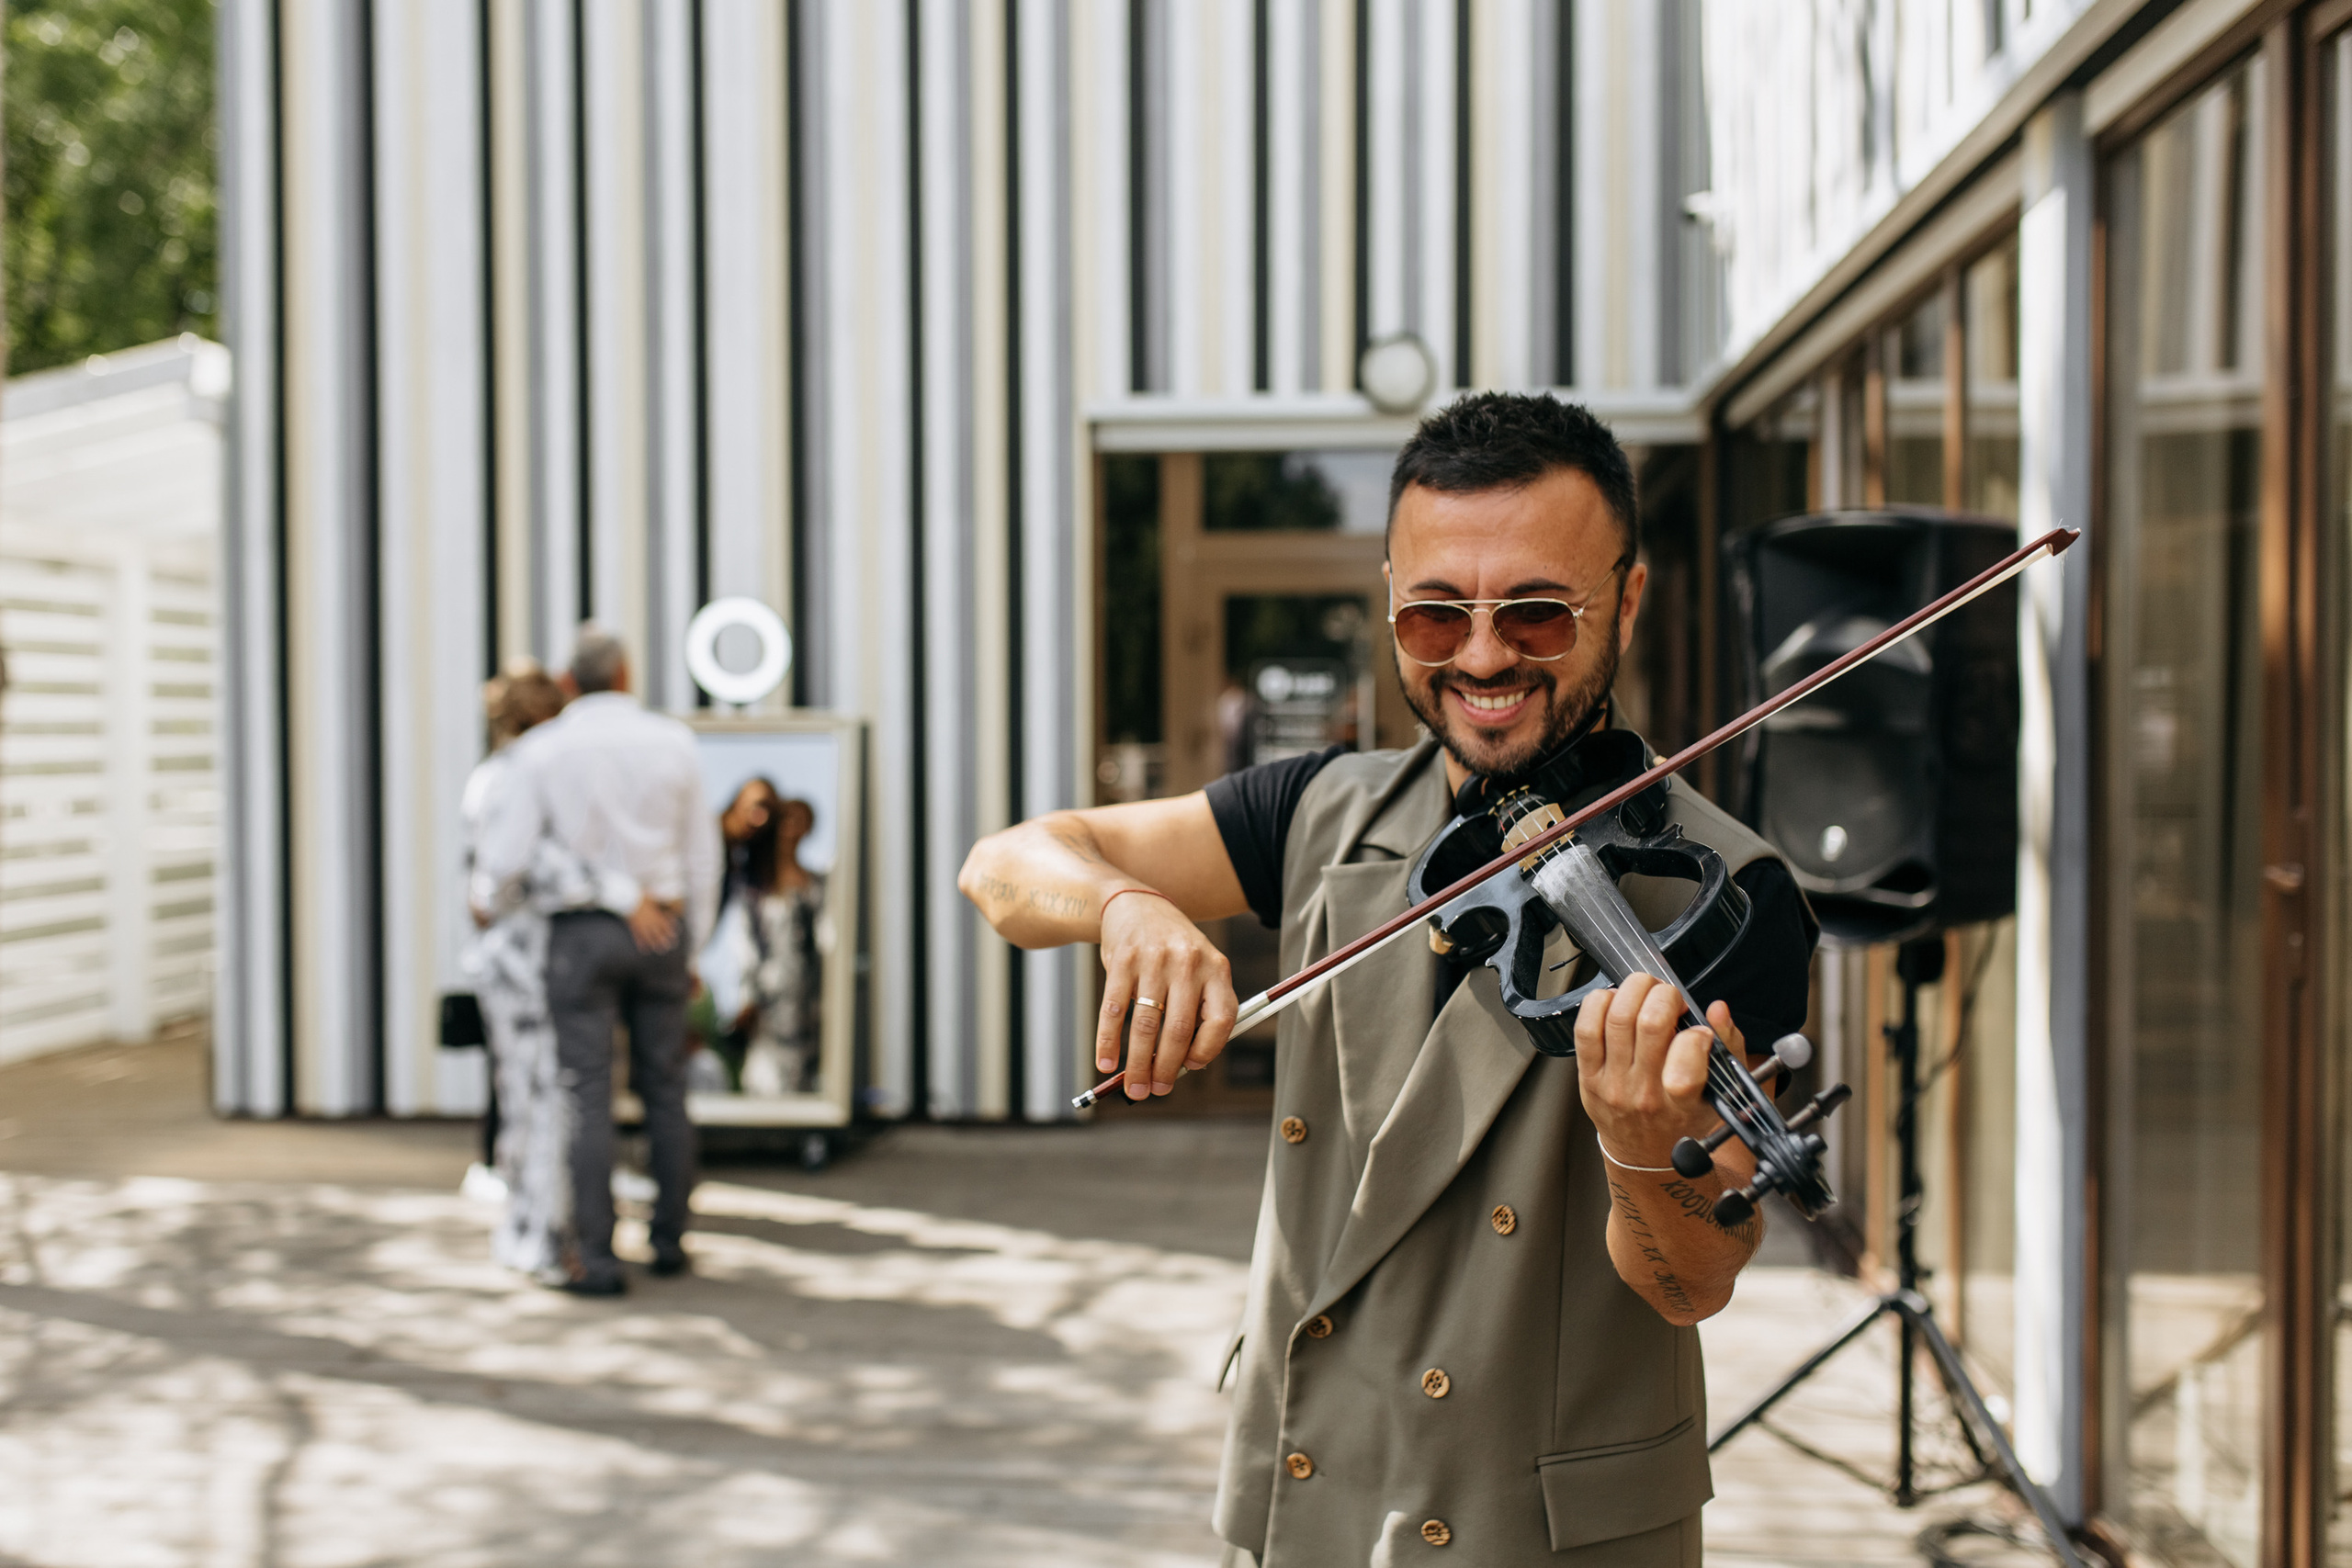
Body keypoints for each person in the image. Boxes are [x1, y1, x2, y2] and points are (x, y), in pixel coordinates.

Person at [960, 393, 1817, 1565]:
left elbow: (1692, 1284)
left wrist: (1637, 1145)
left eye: (1534, 614)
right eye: (1433, 615)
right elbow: (1004, 867)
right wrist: (1127, 906)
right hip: (1308, 1485)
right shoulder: (1321, 809)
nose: (1479, 656)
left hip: (1537, 1531)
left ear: (1626, 598)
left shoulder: (1725, 892)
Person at [477, 624, 719, 1295]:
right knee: (665, 1086)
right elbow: (703, 856)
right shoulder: (674, 742)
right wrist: (690, 941)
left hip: (579, 937)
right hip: (662, 927)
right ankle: (670, 1238)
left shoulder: (541, 753)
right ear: (625, 673)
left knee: (585, 1092)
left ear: (566, 681)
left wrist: (492, 903)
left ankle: (598, 1255)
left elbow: (504, 862)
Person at [460, 660, 640, 1281]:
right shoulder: (525, 770)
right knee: (541, 1102)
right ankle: (541, 1237)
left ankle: (530, 1230)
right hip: (526, 960)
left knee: (525, 1098)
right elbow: (513, 866)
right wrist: (619, 893)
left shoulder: (498, 772)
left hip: (511, 960)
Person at [707, 780, 827, 1096]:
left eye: (800, 822)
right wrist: (746, 1000)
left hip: (808, 999)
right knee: (767, 1073)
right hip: (768, 1000)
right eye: (786, 820)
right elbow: (744, 945)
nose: (791, 829)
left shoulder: (818, 884)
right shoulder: (754, 886)